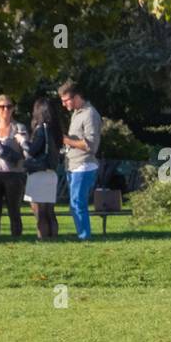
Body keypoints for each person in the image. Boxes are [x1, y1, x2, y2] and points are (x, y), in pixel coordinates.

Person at [58, 80, 102, 240]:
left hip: (84, 165)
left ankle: (84, 236)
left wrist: (66, 140)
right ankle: (82, 234)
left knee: (78, 203)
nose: (64, 104)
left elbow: (91, 145)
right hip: (73, 165)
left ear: (76, 97)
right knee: (75, 203)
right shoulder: (77, 114)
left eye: (65, 100)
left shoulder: (90, 114)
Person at [0, 95, 29, 237]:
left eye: (9, 106)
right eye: (2, 106)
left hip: (14, 174)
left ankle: (16, 237)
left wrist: (21, 142)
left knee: (14, 211)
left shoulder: (19, 127)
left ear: (14, 108)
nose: (5, 110)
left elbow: (27, 151)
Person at [23, 97, 62, 241]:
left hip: (39, 173)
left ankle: (43, 239)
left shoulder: (41, 129)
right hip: (51, 173)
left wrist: (22, 142)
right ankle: (54, 239)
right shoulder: (55, 130)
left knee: (40, 213)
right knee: (50, 211)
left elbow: (33, 150)